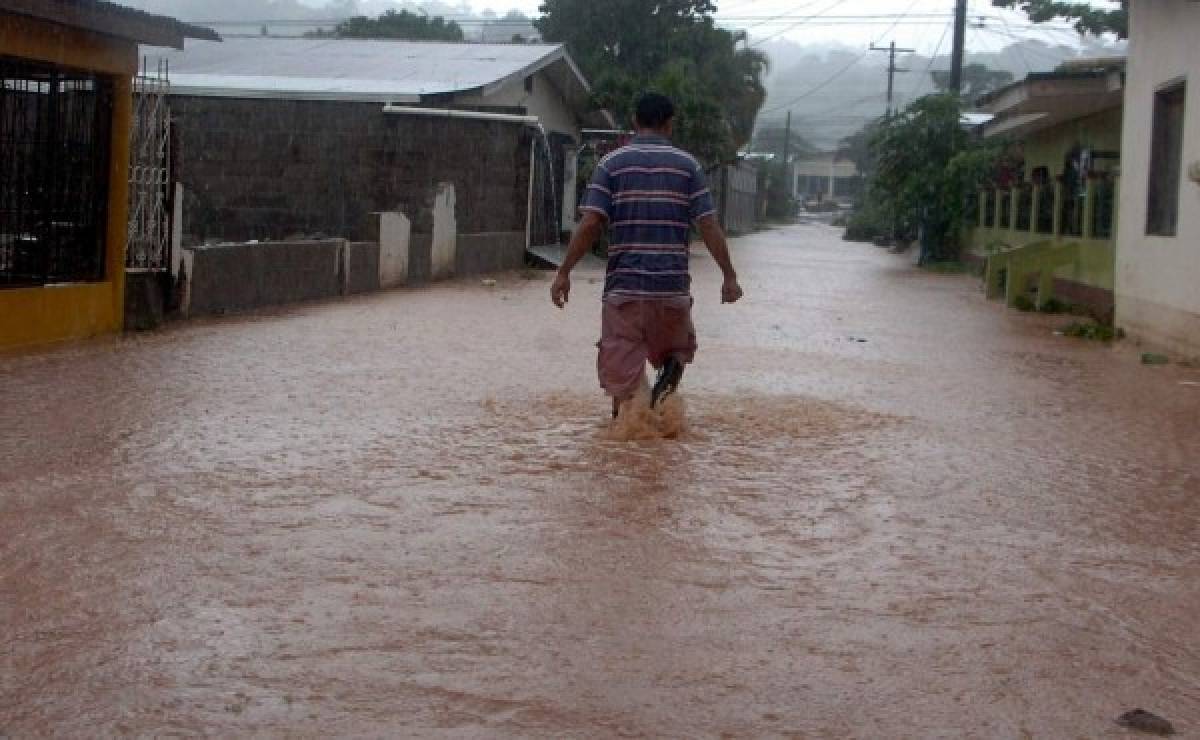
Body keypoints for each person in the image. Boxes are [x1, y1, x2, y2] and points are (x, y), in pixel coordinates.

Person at [551, 92, 743, 419]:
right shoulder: (688, 167)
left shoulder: (611, 164)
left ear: (634, 122)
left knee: (622, 384)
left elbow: (591, 222)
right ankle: (663, 388)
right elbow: (708, 224)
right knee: (677, 350)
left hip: (624, 291)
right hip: (671, 289)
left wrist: (564, 271)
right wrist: (729, 275)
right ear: (670, 125)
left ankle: (629, 435)